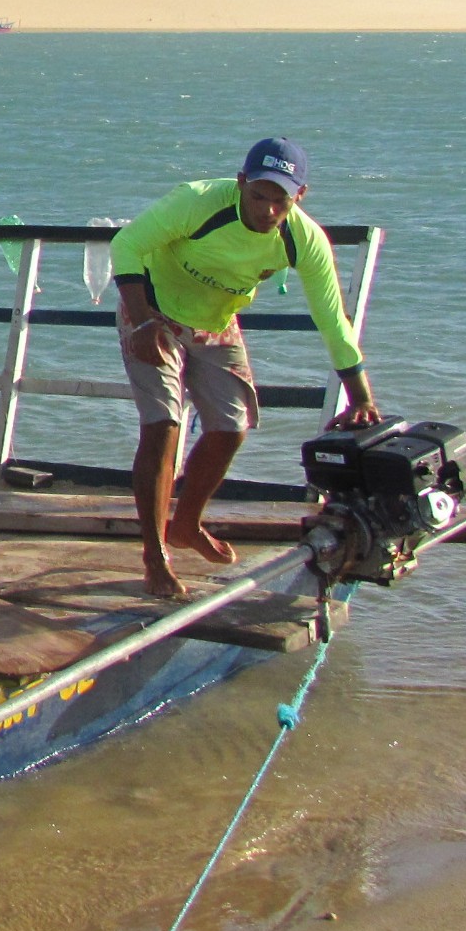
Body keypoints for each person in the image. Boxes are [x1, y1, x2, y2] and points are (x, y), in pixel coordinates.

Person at [110, 137, 380, 600]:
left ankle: (186, 523)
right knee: (163, 426)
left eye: (281, 200)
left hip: (216, 322)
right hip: (152, 312)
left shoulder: (304, 240)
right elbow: (127, 245)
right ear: (241, 184)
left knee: (232, 426)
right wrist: (142, 320)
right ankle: (155, 558)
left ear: (300, 196)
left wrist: (361, 397)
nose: (269, 210)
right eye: (259, 195)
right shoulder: (197, 202)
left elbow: (332, 318)